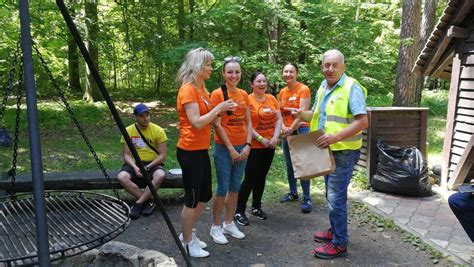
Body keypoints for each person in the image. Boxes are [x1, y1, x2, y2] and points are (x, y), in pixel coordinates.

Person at [290, 49, 368, 259]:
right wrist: (301, 114)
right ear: (322, 67)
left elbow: (363, 121)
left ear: (343, 66)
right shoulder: (323, 87)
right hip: (325, 151)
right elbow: (316, 114)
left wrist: (334, 138)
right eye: (326, 65)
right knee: (331, 195)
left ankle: (340, 243)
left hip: (343, 151)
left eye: (334, 65)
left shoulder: (352, 87)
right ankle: (335, 231)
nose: (330, 69)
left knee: (336, 198)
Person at [176, 48, 237, 258]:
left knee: (204, 195)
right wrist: (218, 108)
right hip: (189, 150)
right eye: (209, 65)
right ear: (198, 67)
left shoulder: (202, 89)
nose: (211, 68)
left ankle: (189, 234)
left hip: (201, 149)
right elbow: (196, 122)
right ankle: (186, 241)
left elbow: (209, 119)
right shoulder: (187, 90)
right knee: (192, 199)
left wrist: (222, 110)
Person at [209, 56, 252, 244]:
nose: (234, 75)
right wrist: (231, 149)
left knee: (235, 187)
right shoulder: (217, 94)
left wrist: (248, 145)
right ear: (223, 73)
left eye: (237, 72)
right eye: (230, 72)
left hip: (243, 148)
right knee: (222, 187)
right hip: (224, 148)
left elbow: (249, 121)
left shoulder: (244, 94)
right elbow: (217, 124)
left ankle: (228, 222)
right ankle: (216, 226)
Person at [234, 71, 282, 226]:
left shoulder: (272, 98)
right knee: (250, 178)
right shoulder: (247, 99)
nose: (262, 84)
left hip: (270, 145)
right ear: (252, 84)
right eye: (258, 81)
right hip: (254, 145)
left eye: (264, 81)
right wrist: (261, 139)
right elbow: (246, 123)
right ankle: (239, 211)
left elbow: (279, 119)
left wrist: (275, 137)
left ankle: (256, 207)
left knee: (261, 177)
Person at [117, 103, 168, 220]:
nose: (145, 119)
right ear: (136, 117)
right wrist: (135, 167)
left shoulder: (158, 131)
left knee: (160, 175)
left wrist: (148, 167)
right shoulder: (128, 131)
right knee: (122, 177)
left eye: (147, 115)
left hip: (153, 163)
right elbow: (126, 155)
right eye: (142, 116)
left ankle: (138, 203)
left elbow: (162, 155)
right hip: (135, 163)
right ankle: (148, 201)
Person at [278, 62, 313, 213]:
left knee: (303, 164)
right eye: (285, 72)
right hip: (287, 131)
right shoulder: (282, 92)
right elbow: (279, 112)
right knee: (290, 164)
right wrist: (283, 128)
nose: (288, 74)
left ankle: (307, 197)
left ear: (296, 73)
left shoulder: (303, 89)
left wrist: (290, 129)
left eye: (291, 71)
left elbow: (303, 113)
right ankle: (293, 193)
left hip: (301, 130)